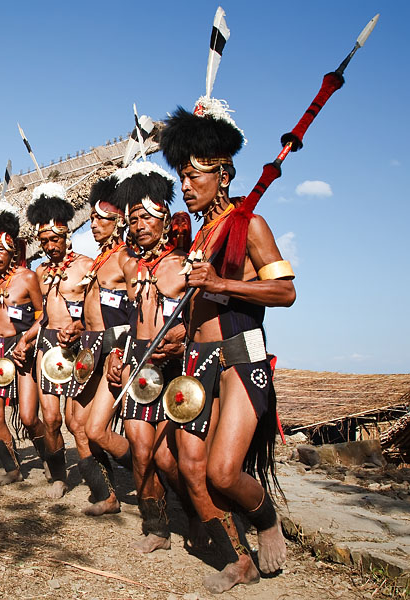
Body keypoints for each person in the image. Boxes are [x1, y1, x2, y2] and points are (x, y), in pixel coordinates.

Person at [159, 96, 294, 591]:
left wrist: (223, 284)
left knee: (221, 471)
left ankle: (266, 520)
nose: (185, 185)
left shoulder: (250, 225)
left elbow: (285, 291)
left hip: (241, 358)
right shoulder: (201, 236)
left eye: (195, 176)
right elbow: (199, 309)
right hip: (197, 361)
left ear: (223, 174)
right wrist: (177, 336)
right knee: (187, 464)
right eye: (182, 175)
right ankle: (239, 560)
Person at [112, 162, 190, 551]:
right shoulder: (129, 266)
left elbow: (200, 322)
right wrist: (116, 352)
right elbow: (126, 318)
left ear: (162, 216)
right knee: (141, 451)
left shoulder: (182, 265)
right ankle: (156, 527)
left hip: (173, 365)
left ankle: (196, 514)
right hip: (136, 362)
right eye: (134, 218)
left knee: (168, 458)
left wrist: (179, 336)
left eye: (147, 216)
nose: (140, 224)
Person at [15, 182, 91, 499]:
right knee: (51, 418)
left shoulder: (86, 265)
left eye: (55, 239)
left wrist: (79, 326)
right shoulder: (39, 273)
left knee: (76, 422)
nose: (50, 245)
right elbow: (41, 315)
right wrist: (27, 340)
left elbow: (96, 314)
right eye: (44, 240)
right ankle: (59, 476)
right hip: (46, 345)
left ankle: (96, 475)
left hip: (77, 346)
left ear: (65, 236)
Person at [67, 177, 135, 516]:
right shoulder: (98, 261)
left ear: (119, 220)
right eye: (92, 219)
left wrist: (120, 353)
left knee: (95, 428)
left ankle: (151, 474)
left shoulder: (126, 259)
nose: (93, 224)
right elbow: (95, 308)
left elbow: (138, 311)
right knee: (74, 420)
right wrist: (78, 325)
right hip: (91, 349)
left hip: (115, 350)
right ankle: (106, 495)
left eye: (100, 219)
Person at [0, 199, 46, 484]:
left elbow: (44, 316)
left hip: (23, 353)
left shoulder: (27, 277)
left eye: (0, 249)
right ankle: (12, 468)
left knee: (28, 417)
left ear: (12, 249)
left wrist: (26, 341)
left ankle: (51, 459)